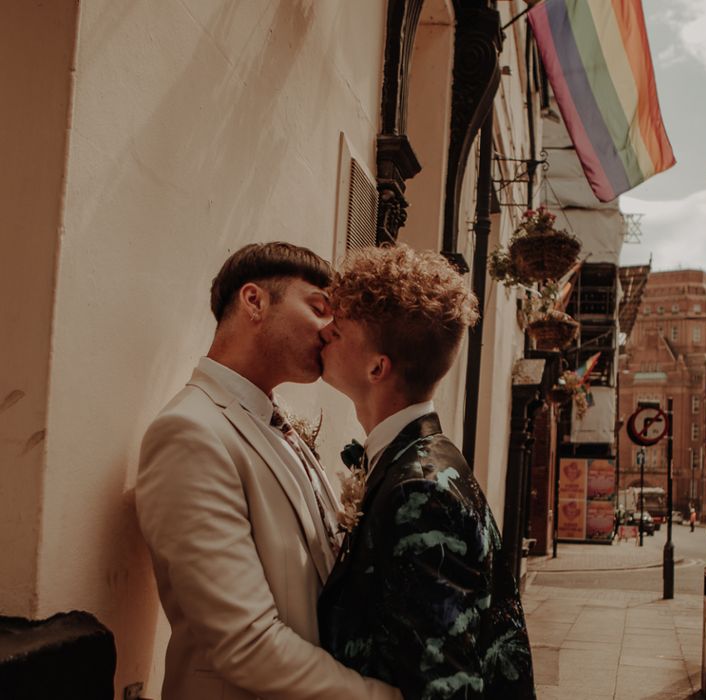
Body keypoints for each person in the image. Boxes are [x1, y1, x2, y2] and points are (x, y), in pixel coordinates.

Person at [136, 242, 401, 700]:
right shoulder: (190, 433)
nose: (330, 329)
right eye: (320, 309)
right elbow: (246, 642)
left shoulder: (277, 422)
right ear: (254, 301)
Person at [317, 245, 536, 700]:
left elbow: (446, 686)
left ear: (378, 368)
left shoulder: (420, 489)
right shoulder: (412, 459)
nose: (324, 333)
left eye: (338, 330)